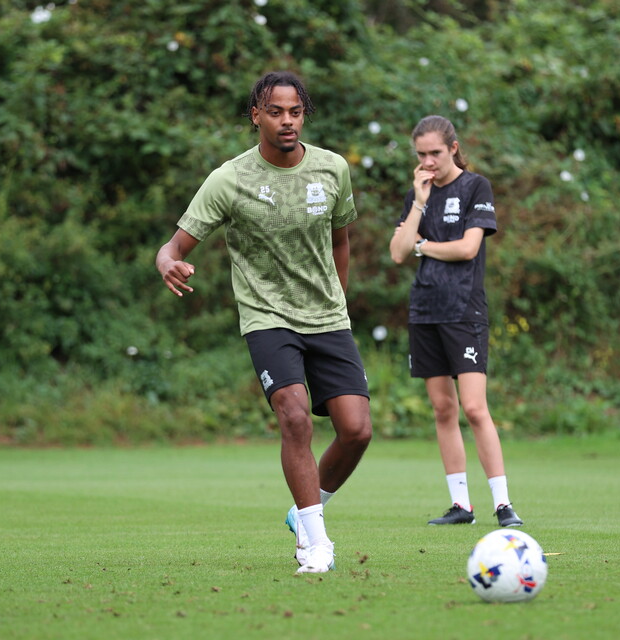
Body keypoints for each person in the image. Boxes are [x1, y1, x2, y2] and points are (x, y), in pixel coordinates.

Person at [156, 71, 372, 574]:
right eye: (275, 111)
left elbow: (341, 241)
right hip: (266, 316)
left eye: (295, 111)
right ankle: (316, 543)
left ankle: (304, 510)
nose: (287, 120)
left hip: (327, 316)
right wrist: (168, 261)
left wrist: (339, 300)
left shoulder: (332, 169)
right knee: (294, 416)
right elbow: (175, 244)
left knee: (357, 431)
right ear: (256, 114)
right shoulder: (229, 179)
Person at [388, 115, 523, 528]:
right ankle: (461, 506)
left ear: (452, 148)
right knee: (443, 409)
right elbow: (397, 251)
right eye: (420, 155)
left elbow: (467, 249)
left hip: (464, 310)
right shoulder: (420, 194)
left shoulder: (475, 187)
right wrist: (418, 201)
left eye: (434, 153)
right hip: (425, 311)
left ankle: (503, 505)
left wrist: (423, 246)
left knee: (474, 408)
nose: (427, 161)